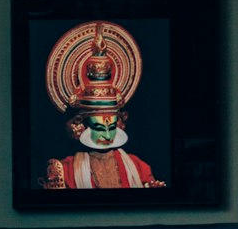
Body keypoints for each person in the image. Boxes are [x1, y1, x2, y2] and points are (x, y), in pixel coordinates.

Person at [42, 22, 166, 191]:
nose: (107, 135)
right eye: (99, 127)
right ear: (81, 123)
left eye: (111, 126)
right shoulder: (65, 170)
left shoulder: (139, 167)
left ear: (121, 122)